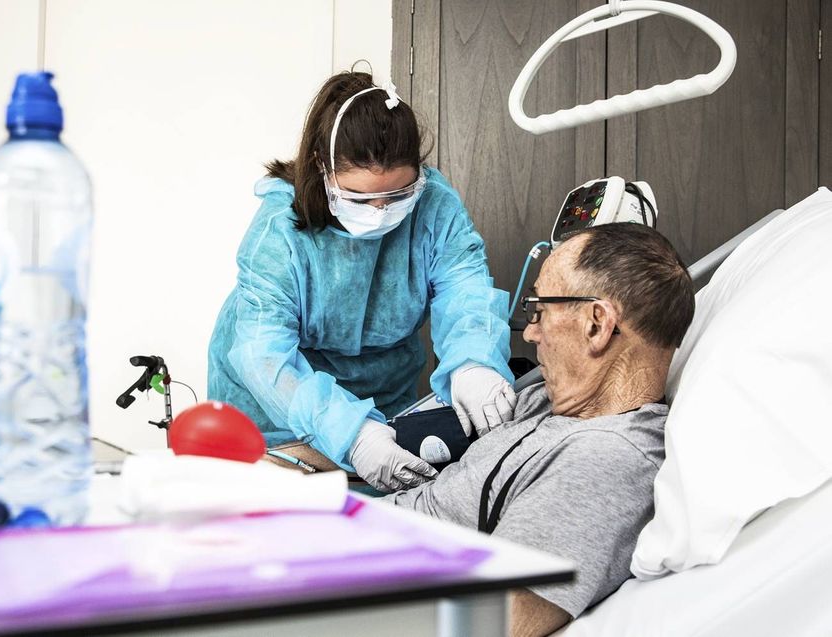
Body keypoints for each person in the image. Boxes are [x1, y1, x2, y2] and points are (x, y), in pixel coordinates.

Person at [207, 70, 515, 493]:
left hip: (387, 391)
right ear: (322, 167)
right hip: (279, 403)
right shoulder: (278, 233)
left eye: (397, 195)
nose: (380, 210)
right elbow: (264, 354)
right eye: (360, 198)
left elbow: (466, 289)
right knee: (278, 502)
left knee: (387, 498)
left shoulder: (436, 206)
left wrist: (474, 361)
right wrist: (353, 434)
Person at [387, 223, 696, 637]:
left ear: (596, 324)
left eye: (540, 310)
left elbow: (491, 622)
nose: (530, 332)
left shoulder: (601, 464)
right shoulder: (551, 403)